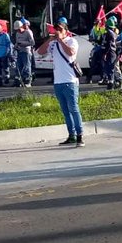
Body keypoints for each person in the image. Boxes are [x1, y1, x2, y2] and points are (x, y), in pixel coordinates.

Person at [37, 16, 85, 146]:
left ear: (66, 31)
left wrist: (60, 40)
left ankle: (80, 135)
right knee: (65, 110)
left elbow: (70, 53)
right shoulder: (53, 43)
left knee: (74, 109)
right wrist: (50, 40)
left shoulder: (71, 41)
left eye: (60, 29)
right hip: (58, 82)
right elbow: (40, 52)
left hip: (70, 81)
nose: (57, 31)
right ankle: (71, 135)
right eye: (56, 29)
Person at [12, 18, 36, 86]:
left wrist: (22, 43)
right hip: (20, 51)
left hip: (26, 51)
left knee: (27, 66)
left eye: (19, 29)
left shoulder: (28, 32)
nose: (18, 31)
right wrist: (16, 46)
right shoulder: (17, 34)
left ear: (22, 26)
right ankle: (18, 80)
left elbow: (32, 42)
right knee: (19, 66)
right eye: (17, 30)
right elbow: (17, 41)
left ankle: (28, 80)